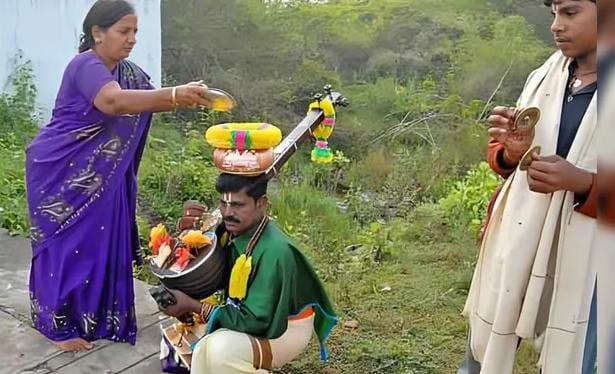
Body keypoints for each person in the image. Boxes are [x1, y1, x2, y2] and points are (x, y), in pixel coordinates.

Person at [26, 0, 212, 353]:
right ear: (97, 33)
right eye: (123, 31)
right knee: (66, 250)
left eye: (135, 32)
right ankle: (58, 325)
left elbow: (139, 99)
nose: (131, 39)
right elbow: (113, 103)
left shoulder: (131, 74)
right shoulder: (85, 65)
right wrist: (175, 94)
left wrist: (184, 96)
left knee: (97, 247)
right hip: (62, 172)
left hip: (106, 175)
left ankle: (96, 319)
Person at [458, 0, 597, 373]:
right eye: (553, 13)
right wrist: (511, 152)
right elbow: (503, 160)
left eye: (569, 13)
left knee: (582, 354)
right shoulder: (545, 76)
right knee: (485, 347)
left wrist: (583, 183)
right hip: (520, 237)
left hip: (595, 263)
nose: (555, 25)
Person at [160, 173, 338, 373]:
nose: (227, 213)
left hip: (284, 328)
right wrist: (186, 237)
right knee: (191, 341)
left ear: (261, 203)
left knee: (219, 351)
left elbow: (258, 321)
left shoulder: (276, 252)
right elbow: (212, 273)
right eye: (223, 204)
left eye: (238, 205)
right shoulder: (232, 229)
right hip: (246, 310)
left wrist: (194, 306)